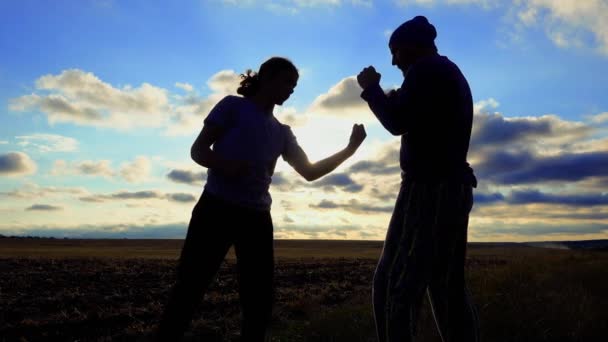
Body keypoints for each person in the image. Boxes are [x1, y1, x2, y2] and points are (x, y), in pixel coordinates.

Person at [155, 56, 367, 341]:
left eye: (294, 85)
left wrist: (349, 149)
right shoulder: (233, 106)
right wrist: (227, 165)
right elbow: (198, 150)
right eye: (287, 82)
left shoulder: (282, 132)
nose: (291, 90)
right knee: (189, 289)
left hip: (256, 219)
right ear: (265, 78)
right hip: (216, 208)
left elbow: (309, 172)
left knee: (259, 302)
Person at [356, 16, 479, 342]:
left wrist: (370, 89)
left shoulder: (427, 71)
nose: (393, 60)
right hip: (452, 187)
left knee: (394, 285)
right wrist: (388, 95)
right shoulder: (444, 72)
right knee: (445, 287)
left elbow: (397, 121)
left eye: (395, 51)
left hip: (428, 189)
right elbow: (411, 112)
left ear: (411, 46)